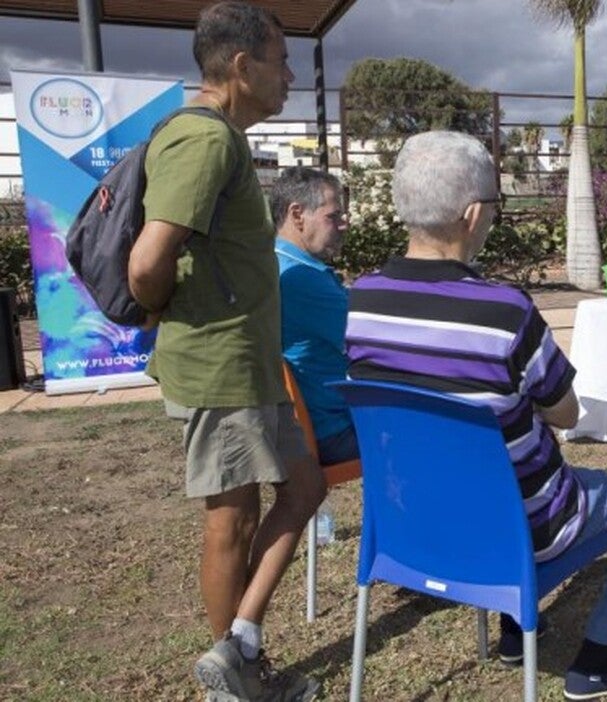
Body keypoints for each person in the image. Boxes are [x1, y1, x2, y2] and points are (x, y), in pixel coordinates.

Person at [344, 131, 607, 700]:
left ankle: (513, 632)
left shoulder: (361, 301)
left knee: (492, 449)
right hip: (521, 527)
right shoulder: (504, 311)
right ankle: (596, 663)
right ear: (473, 214)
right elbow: (566, 412)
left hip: (412, 522)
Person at [128, 3, 324, 699]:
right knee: (231, 519)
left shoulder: (223, 140)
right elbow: (147, 262)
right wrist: (160, 310)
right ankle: (235, 683)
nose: (290, 77)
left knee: (305, 487)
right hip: (220, 365)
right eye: (281, 61)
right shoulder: (204, 140)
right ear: (242, 66)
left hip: (247, 362)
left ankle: (237, 645)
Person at [271, 166, 358, 464]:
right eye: (333, 216)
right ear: (297, 215)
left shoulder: (275, 263)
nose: (343, 225)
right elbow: (374, 341)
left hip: (306, 424)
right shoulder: (302, 279)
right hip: (336, 429)